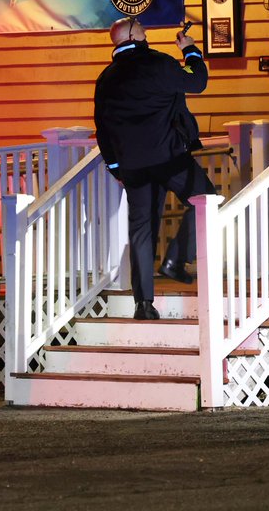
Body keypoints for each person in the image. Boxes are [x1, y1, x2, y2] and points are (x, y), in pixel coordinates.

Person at [93, 17, 216, 320]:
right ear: (134, 34)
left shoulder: (107, 78)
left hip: (133, 167)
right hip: (169, 158)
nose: (146, 30)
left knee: (142, 233)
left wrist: (116, 168)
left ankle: (143, 304)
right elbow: (196, 80)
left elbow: (103, 129)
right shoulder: (158, 63)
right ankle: (176, 259)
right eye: (142, 27)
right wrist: (190, 51)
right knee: (208, 203)